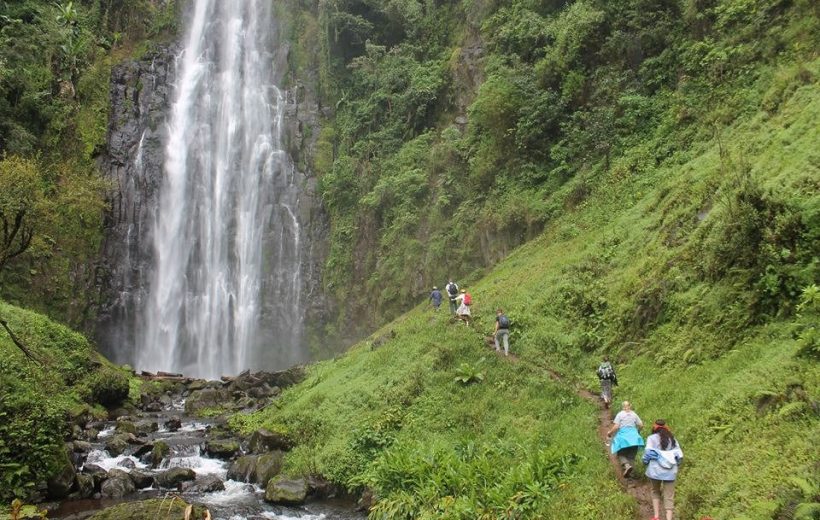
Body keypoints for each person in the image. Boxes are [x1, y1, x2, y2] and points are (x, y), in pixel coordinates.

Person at [642, 419, 683, 520]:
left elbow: (648, 454)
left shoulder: (651, 438)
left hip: (655, 471)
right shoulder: (673, 439)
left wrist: (645, 462)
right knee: (669, 496)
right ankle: (669, 518)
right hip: (670, 472)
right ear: (666, 427)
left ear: (654, 428)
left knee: (655, 491)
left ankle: (656, 517)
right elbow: (679, 456)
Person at [606, 400, 645, 478]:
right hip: (634, 438)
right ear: (630, 406)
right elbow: (641, 425)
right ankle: (632, 474)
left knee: (621, 454)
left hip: (624, 438)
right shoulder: (634, 414)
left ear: (623, 407)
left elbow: (616, 426)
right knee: (631, 457)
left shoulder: (620, 414)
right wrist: (637, 432)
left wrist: (609, 433)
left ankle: (627, 466)